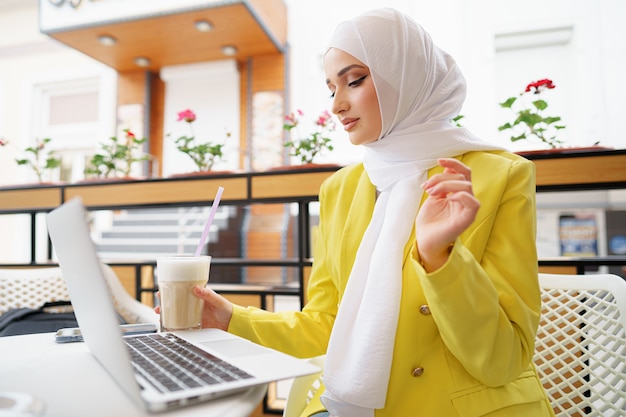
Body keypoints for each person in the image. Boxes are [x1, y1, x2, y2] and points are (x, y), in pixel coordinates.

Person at [183, 8, 556, 417]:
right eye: (331, 89)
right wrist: (231, 317)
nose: (338, 105)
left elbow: (503, 359)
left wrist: (441, 259)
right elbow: (324, 322)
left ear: (406, 76)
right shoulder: (340, 189)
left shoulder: (499, 175)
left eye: (355, 80)